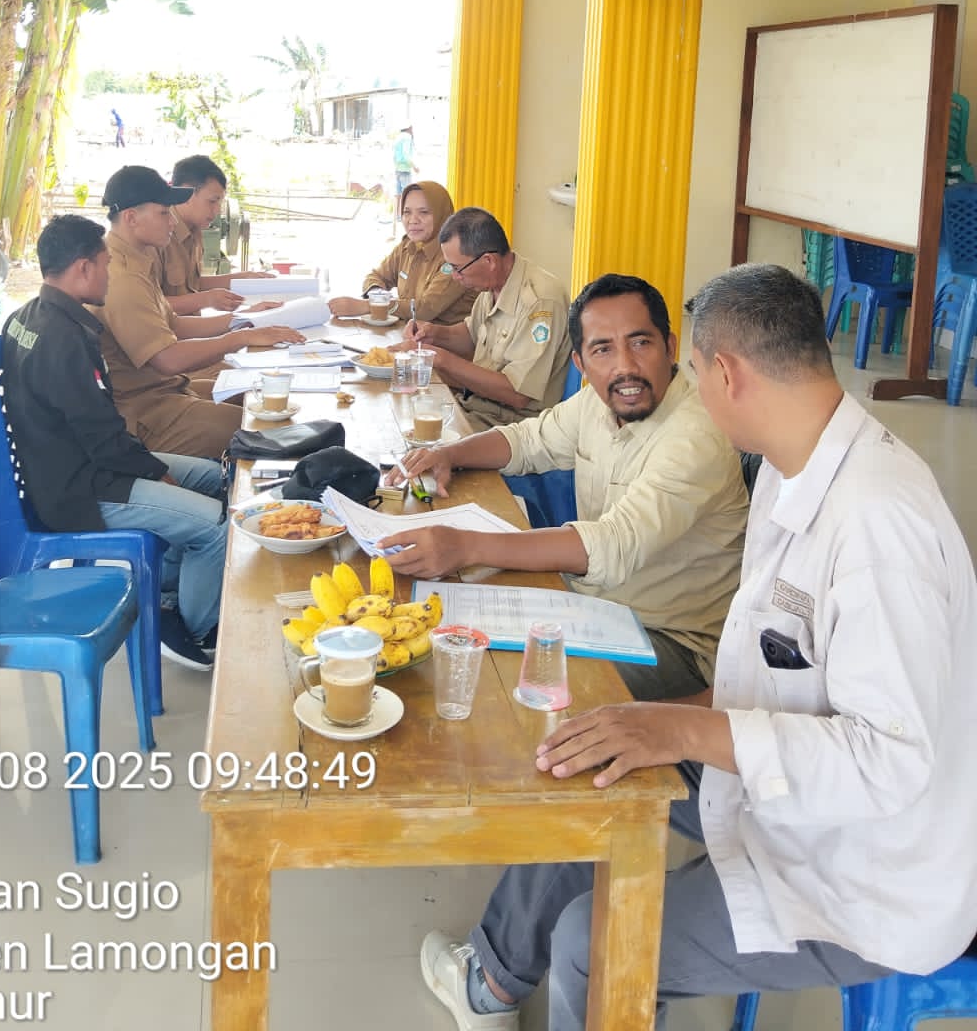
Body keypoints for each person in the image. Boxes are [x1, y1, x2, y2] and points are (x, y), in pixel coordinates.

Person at [420, 262, 977, 1031]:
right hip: (779, 779)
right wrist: (657, 724)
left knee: (589, 942)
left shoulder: (879, 524)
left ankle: (529, 977)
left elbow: (889, 763)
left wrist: (681, 728)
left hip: (865, 869)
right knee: (593, 756)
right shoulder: (794, 467)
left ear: (724, 372)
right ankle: (492, 982)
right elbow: (784, 669)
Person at [396, 273, 747, 700]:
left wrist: (464, 546)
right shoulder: (599, 401)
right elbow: (528, 441)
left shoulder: (696, 435)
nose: (625, 366)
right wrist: (450, 454)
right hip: (590, 607)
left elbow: (611, 545)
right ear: (580, 363)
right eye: (603, 349)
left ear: (670, 347)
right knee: (446, 646)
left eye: (641, 343)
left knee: (495, 685)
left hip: (668, 641)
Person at [0, 214, 227, 672]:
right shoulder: (65, 337)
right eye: (105, 265)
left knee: (213, 477)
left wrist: (153, 468)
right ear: (83, 268)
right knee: (217, 526)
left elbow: (94, 429)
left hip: (67, 463)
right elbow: (102, 437)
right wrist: (155, 472)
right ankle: (195, 630)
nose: (109, 274)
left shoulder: (25, 317)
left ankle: (166, 590)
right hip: (83, 487)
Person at [96, 165, 305, 459]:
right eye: (164, 213)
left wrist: (245, 323)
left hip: (167, 391)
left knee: (258, 395)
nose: (172, 221)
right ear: (131, 218)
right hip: (147, 412)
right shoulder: (122, 276)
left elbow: (175, 325)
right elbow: (167, 359)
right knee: (267, 428)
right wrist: (239, 338)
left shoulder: (137, 259)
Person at [402, 207, 569, 431]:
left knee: (421, 439)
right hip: (475, 406)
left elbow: (518, 394)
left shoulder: (540, 301)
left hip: (513, 425)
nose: (455, 277)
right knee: (403, 414)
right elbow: (471, 335)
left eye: (457, 268)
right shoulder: (491, 286)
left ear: (489, 261)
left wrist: (441, 360)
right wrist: (434, 333)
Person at [328, 180, 476, 327]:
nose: (413, 220)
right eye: (407, 212)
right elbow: (376, 276)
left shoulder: (456, 254)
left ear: (441, 214)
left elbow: (425, 309)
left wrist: (369, 306)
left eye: (424, 212)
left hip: (445, 339)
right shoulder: (408, 246)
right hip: (408, 333)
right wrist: (378, 297)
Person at [160, 154, 278, 319]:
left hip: (192, 327)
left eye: (220, 202)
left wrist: (240, 279)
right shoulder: (159, 235)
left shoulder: (194, 230)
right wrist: (206, 300)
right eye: (212, 201)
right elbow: (147, 305)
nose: (217, 211)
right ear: (186, 193)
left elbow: (191, 285)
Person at [393, 125, 415, 198]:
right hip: (405, 169)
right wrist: (414, 166)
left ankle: (397, 206)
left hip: (397, 169)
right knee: (407, 194)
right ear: (409, 128)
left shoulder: (398, 137)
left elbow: (394, 155)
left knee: (398, 194)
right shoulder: (407, 137)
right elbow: (406, 154)